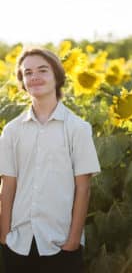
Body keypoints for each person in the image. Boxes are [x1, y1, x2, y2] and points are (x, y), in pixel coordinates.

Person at [0, 47, 101, 273]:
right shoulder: (11, 131)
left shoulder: (78, 129)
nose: (34, 77)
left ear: (57, 76)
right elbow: (8, 185)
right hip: (18, 243)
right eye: (27, 73)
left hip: (60, 244)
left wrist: (72, 242)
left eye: (42, 70)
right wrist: (5, 237)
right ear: (22, 81)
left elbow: (83, 188)